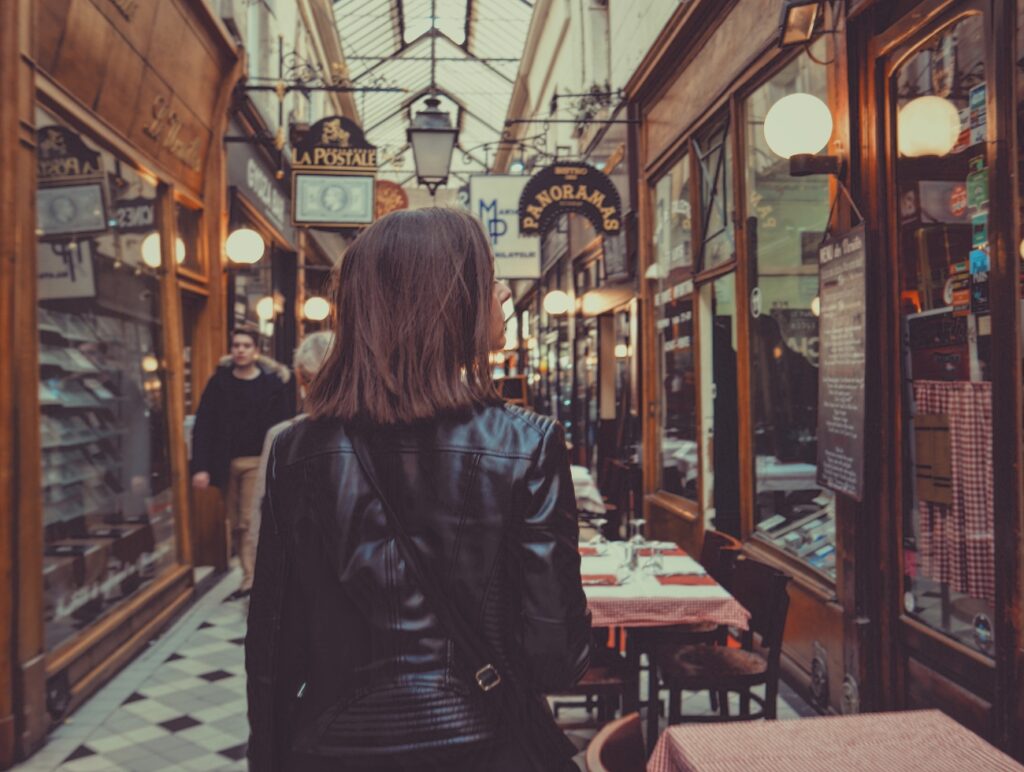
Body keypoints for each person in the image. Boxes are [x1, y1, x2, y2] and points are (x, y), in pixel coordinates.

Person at [246, 208, 590, 771]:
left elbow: (273, 646)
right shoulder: (526, 443)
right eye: (488, 278)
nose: (502, 292)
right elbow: (555, 660)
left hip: (332, 747)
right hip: (483, 746)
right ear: (448, 303)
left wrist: (268, 758)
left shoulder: (295, 450)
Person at [190, 327, 291, 599]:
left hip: (257, 461)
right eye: (236, 345)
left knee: (248, 519)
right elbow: (203, 425)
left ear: (256, 351)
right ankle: (252, 573)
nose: (241, 350)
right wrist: (200, 466)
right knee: (235, 522)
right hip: (225, 463)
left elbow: (284, 427)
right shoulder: (219, 383)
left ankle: (251, 580)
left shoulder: (272, 385)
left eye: (246, 345)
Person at [241, 330, 334, 597]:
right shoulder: (372, 432)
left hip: (299, 580)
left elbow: (262, 515)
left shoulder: (282, 437)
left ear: (300, 376)